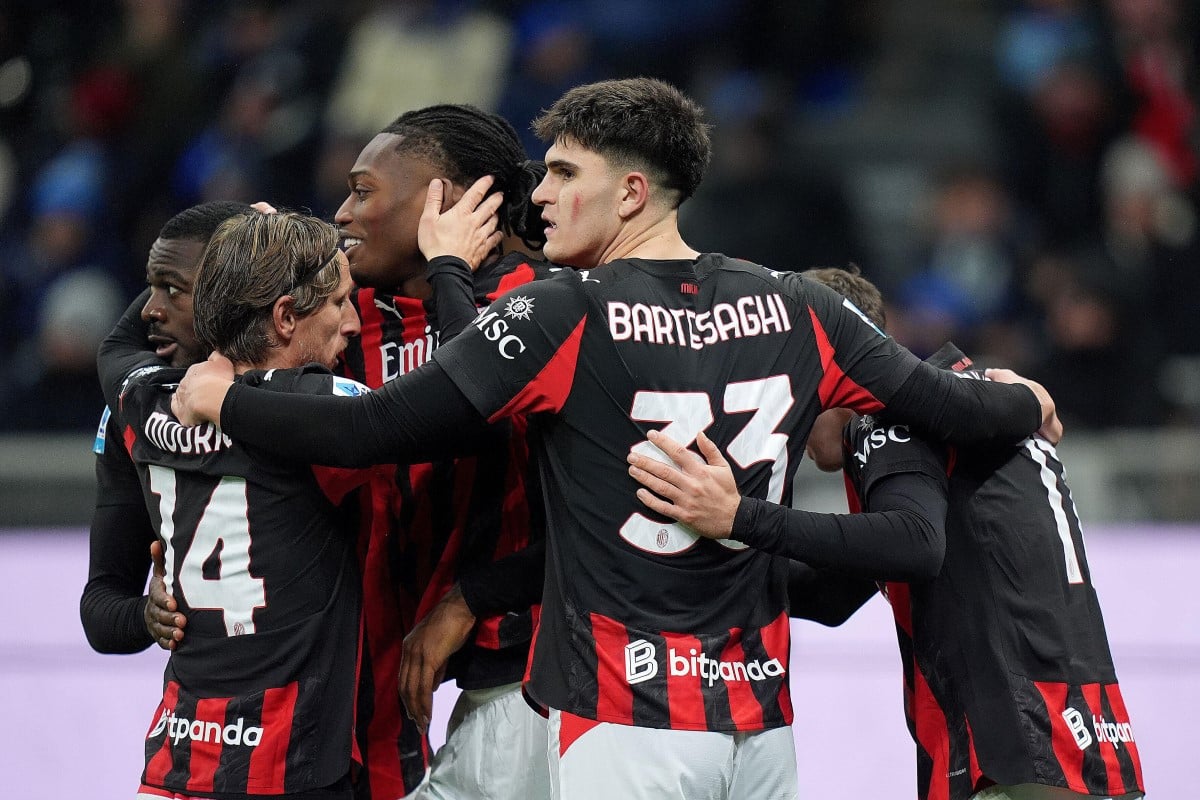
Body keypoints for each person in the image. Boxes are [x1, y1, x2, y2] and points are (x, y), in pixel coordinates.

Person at [171, 77, 1060, 799]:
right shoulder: (803, 305)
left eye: (563, 173)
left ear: (631, 192)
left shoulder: (564, 313)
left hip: (628, 721)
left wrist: (227, 399)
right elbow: (961, 412)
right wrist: (1021, 396)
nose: (539, 194)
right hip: (760, 730)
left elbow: (375, 427)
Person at [628, 266, 1145, 800]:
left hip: (1017, 747)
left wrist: (741, 517)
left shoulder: (890, 419)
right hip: (1082, 736)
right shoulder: (962, 413)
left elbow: (914, 543)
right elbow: (831, 592)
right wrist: (685, 564)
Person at [100, 211, 367, 799]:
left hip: (174, 764)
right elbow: (441, 415)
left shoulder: (143, 398)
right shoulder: (321, 408)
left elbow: (114, 348)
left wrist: (251, 247)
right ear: (283, 313)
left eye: (174, 289)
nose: (352, 319)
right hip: (284, 765)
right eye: (339, 302)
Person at [80, 200, 255, 655]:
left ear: (233, 293)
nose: (150, 311)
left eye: (173, 290)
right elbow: (101, 606)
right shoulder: (129, 413)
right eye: (151, 288)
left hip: (316, 687)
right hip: (200, 696)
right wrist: (147, 614)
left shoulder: (300, 397)